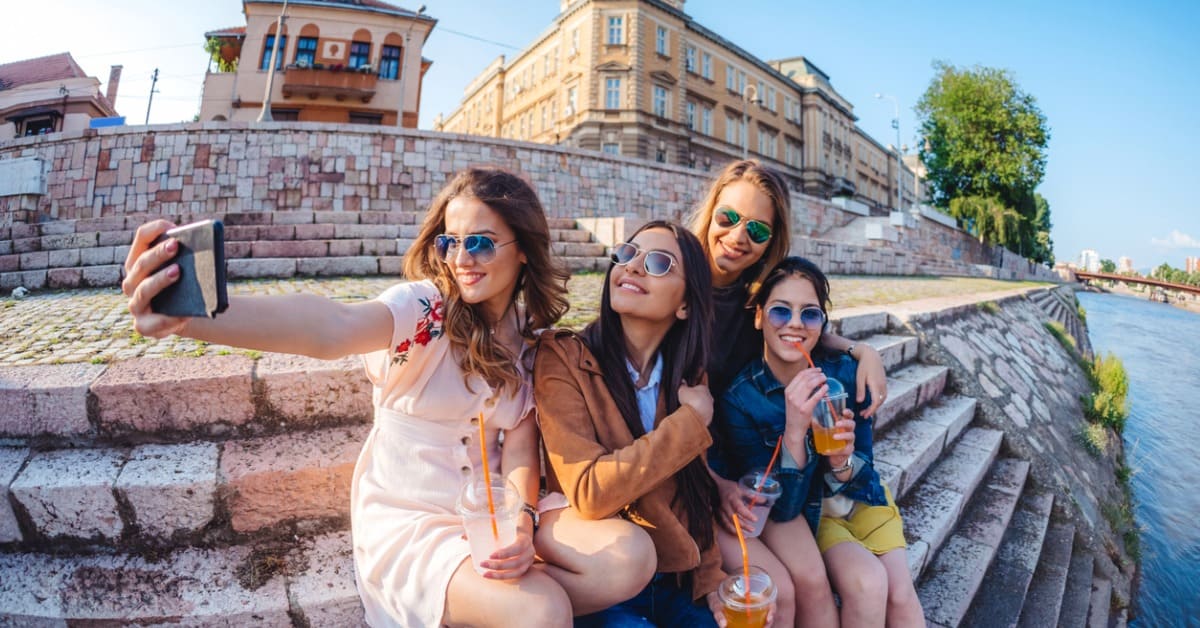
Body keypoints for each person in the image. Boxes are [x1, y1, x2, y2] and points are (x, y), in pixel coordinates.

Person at [121, 168, 648, 627]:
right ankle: (504, 603)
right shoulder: (426, 310)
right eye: (450, 242)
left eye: (481, 243)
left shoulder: (531, 338)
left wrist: (522, 522)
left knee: (632, 556)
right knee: (542, 609)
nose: (461, 258)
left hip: (492, 511)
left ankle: (495, 602)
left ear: (524, 249)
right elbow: (330, 327)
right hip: (413, 517)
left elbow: (519, 449)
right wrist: (193, 319)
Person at [534, 221, 765, 627]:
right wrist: (689, 424)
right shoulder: (564, 359)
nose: (633, 266)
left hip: (673, 580)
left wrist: (711, 580)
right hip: (604, 577)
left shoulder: (687, 376)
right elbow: (589, 490)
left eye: (659, 263)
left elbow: (693, 489)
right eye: (627, 253)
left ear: (686, 305)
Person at [718, 256, 925, 628]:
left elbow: (864, 470)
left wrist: (841, 461)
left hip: (860, 496)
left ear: (822, 323)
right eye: (781, 311)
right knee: (869, 582)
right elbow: (784, 509)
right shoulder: (741, 399)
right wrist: (794, 433)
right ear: (759, 316)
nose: (796, 323)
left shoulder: (845, 374)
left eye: (809, 314)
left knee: (901, 596)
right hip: (811, 507)